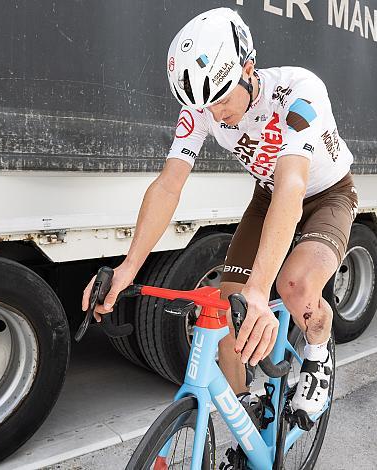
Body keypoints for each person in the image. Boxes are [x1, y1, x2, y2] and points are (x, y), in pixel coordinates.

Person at [81, 7, 358, 419]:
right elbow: (168, 185)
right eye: (204, 106)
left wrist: (262, 292)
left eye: (222, 99)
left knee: (295, 285)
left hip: (326, 194)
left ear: (248, 68)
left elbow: (292, 185)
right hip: (268, 196)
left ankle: (318, 351)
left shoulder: (299, 92)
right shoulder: (201, 106)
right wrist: (127, 267)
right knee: (229, 311)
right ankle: (247, 411)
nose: (215, 115)